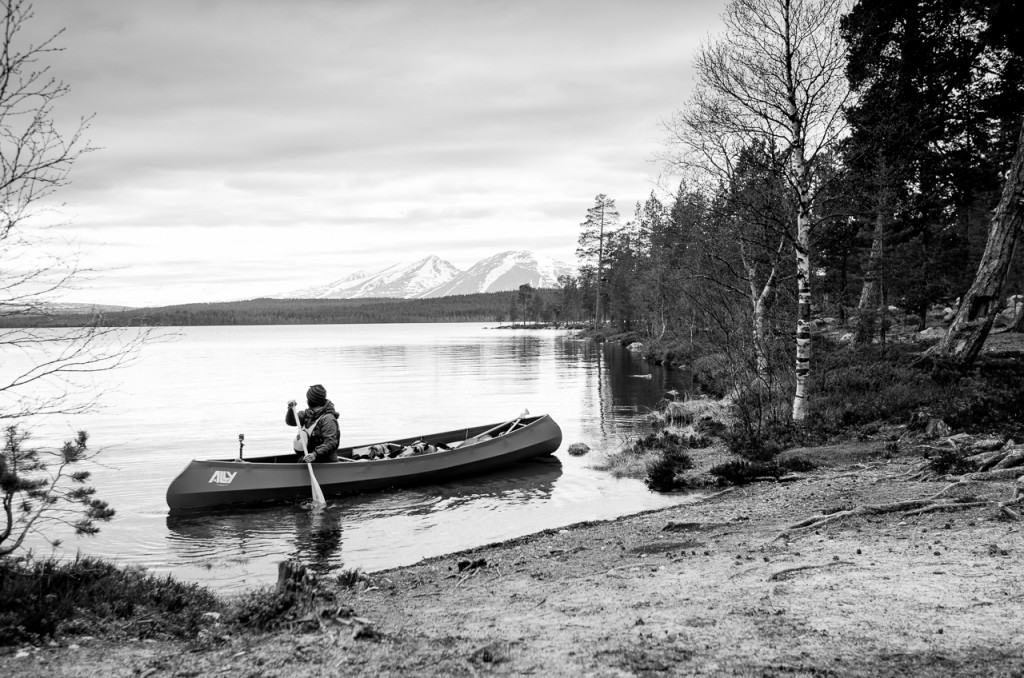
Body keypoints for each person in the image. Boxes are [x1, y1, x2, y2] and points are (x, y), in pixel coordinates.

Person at [286, 384, 340, 463]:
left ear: (310, 400)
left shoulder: (328, 419)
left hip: (325, 462)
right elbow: (291, 421)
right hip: (309, 460)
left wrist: (315, 454)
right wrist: (291, 409)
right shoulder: (308, 414)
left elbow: (331, 442)